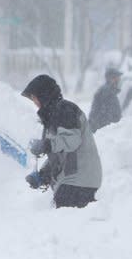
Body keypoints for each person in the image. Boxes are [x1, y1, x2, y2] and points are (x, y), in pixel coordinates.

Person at [22, 74, 102, 208]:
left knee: (64, 225)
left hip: (78, 181)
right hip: (73, 182)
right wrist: (43, 176)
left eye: (35, 98)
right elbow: (60, 154)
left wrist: (46, 145)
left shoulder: (64, 110)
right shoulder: (52, 115)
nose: (35, 103)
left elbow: (72, 141)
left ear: (44, 95)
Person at [88, 67, 123, 133]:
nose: (118, 80)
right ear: (110, 78)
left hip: (105, 130)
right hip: (103, 130)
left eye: (118, 78)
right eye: (116, 77)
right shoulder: (106, 92)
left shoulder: (110, 91)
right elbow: (104, 114)